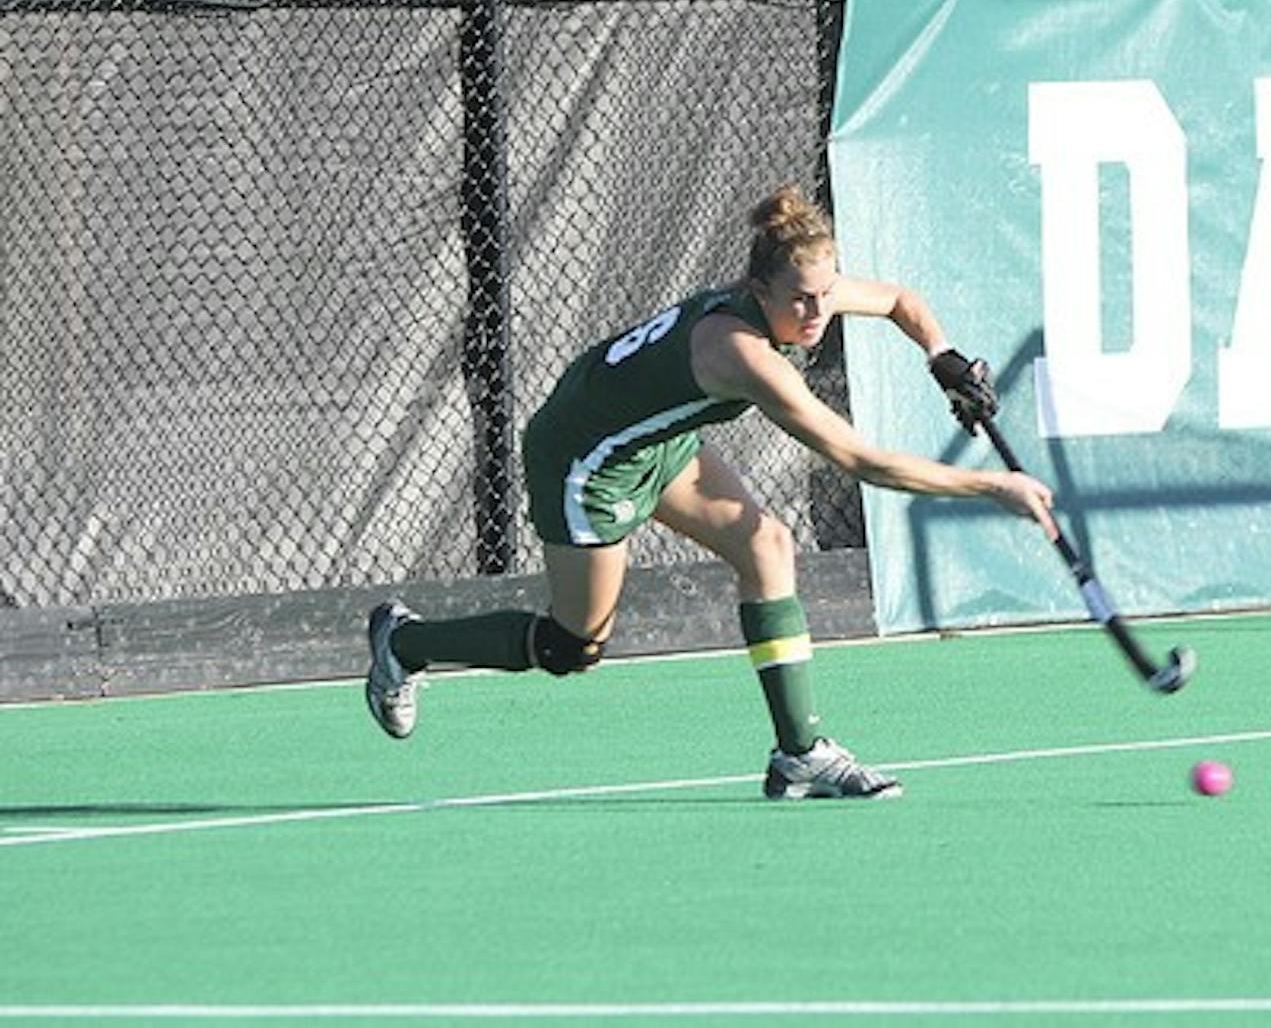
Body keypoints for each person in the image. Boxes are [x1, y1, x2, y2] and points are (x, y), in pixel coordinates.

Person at [364, 184, 1055, 800]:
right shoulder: (743, 355)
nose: (818, 313)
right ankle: (408, 642)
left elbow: (902, 300)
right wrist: (992, 485)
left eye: (826, 293)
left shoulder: (806, 290)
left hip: (655, 439)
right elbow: (857, 457)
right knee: (573, 645)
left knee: (767, 545)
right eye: (801, 301)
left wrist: (942, 356)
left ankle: (800, 754)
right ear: (760, 291)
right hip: (588, 459)